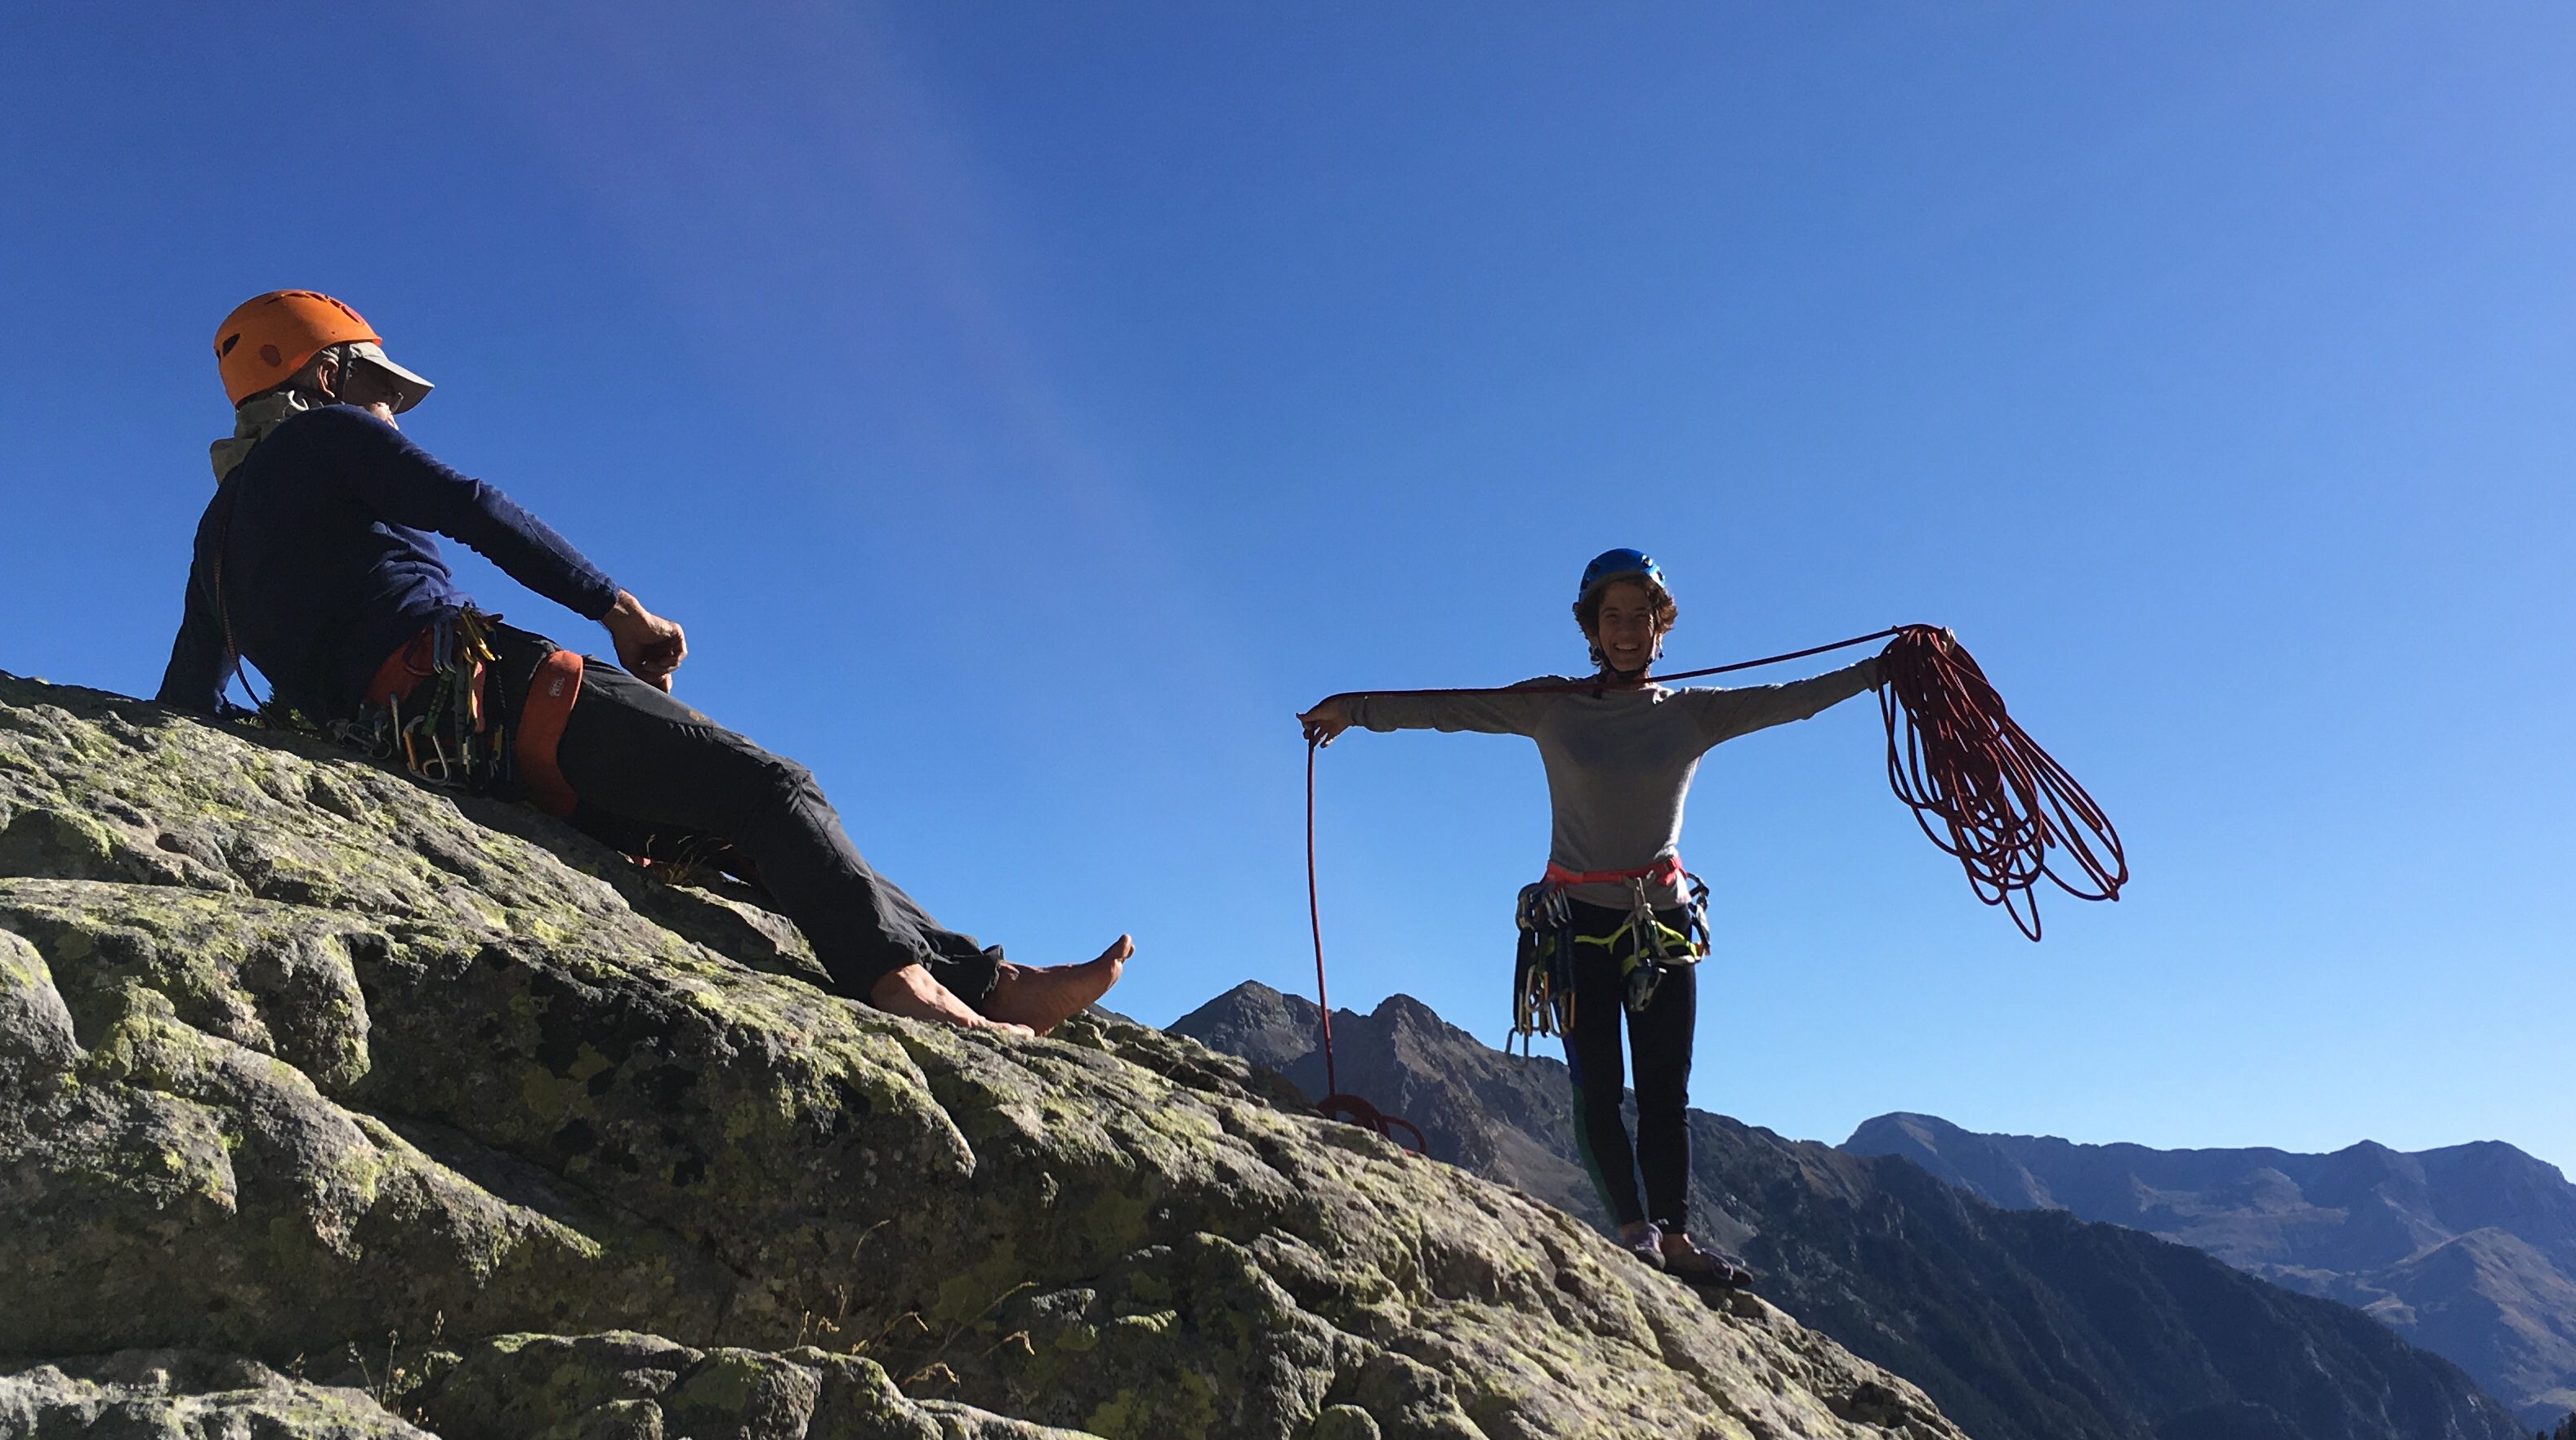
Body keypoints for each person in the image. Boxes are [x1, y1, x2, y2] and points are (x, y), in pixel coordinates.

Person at [158, 290, 1126, 1036]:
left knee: (741, 828)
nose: (393, 413)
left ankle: (992, 982)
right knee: (772, 793)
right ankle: (917, 991)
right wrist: (618, 609)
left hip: (438, 760)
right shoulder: (328, 435)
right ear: (326, 378)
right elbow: (471, 507)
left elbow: (187, 697)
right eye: (380, 389)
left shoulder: (218, 531)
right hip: (497, 699)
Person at [1296, 549, 1876, 1286]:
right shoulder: (1553, 706)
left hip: (1659, 926)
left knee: (1665, 1093)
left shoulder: (1696, 712)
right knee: (1597, 1088)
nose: (1627, 630)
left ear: (1661, 626)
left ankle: (1674, 1236)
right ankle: (1635, 1231)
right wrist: (1353, 709)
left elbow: (1798, 697)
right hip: (1575, 928)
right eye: (1613, 617)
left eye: (1641, 616)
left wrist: (1885, 669)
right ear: (1592, 629)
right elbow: (1449, 708)